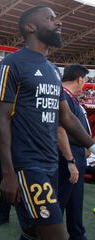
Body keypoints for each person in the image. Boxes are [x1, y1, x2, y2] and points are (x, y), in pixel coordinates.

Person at [0, 6, 95, 240]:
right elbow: (1, 121)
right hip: (27, 165)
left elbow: (67, 118)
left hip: (51, 163)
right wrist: (8, 173)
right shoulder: (11, 64)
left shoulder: (52, 69)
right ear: (31, 27)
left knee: (33, 231)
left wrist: (92, 147)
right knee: (55, 234)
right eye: (51, 19)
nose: (58, 23)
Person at [57, 65, 90, 240]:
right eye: (85, 80)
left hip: (76, 155)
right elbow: (60, 130)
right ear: (79, 79)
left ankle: (77, 235)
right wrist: (70, 161)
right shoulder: (63, 97)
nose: (85, 84)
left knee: (75, 201)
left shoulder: (70, 98)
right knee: (60, 201)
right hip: (67, 157)